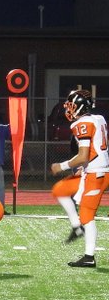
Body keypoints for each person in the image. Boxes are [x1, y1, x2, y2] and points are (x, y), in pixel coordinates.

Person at [50, 89, 109, 268]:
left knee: (87, 215)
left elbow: (83, 155)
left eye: (72, 106)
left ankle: (89, 256)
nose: (69, 109)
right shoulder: (99, 118)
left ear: (81, 107)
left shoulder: (82, 123)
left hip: (97, 173)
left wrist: (62, 166)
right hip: (91, 170)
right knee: (60, 189)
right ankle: (77, 227)